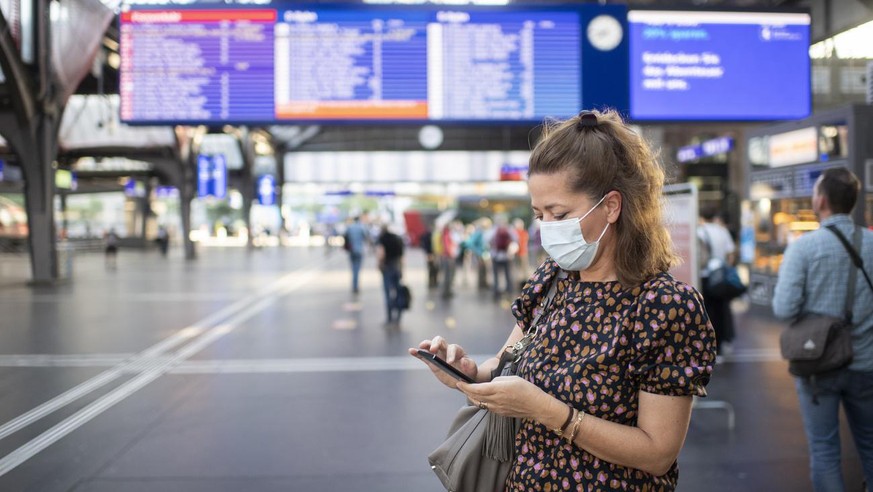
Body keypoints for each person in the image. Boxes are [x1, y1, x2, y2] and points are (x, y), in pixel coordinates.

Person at [410, 109, 715, 491]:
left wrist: (549, 412)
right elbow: (506, 364)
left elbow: (657, 453)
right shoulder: (552, 279)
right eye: (539, 215)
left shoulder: (665, 307)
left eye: (560, 214)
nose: (548, 230)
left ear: (611, 206)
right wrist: (468, 375)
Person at [772, 167, 873, 492]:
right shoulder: (872, 243)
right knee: (870, 448)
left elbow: (784, 308)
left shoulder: (804, 248)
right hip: (867, 363)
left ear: (822, 200)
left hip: (819, 364)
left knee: (825, 451)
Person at [698, 206, 738, 355]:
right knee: (722, 310)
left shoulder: (700, 232)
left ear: (701, 217)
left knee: (708, 312)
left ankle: (710, 346)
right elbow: (731, 254)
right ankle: (722, 344)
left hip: (706, 276)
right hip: (721, 276)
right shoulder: (722, 231)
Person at [376, 224, 405, 325]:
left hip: (387, 267)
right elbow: (402, 257)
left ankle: (389, 317)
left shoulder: (382, 238)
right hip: (397, 266)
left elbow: (381, 253)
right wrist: (402, 270)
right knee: (397, 291)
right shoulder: (397, 238)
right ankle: (398, 316)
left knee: (388, 292)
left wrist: (379, 264)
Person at [490, 215, 516, 299]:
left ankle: (496, 291)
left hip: (496, 255)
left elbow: (487, 240)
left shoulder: (493, 230)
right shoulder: (509, 229)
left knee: (496, 275)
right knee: (508, 274)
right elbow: (516, 239)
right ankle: (509, 290)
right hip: (507, 256)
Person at [344, 216, 367, 294]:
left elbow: (345, 236)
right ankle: (355, 286)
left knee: (353, 268)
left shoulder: (350, 227)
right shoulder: (361, 227)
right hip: (359, 250)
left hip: (351, 250)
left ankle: (354, 285)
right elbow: (366, 236)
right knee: (357, 269)